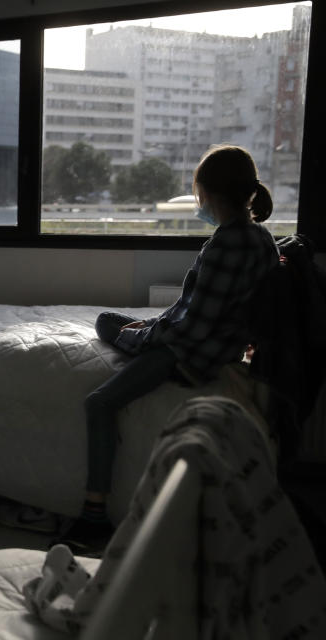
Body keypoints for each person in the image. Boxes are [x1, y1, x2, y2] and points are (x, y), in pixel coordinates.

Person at [59, 144, 281, 554]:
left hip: (190, 357)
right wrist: (153, 322)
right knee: (110, 320)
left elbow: (192, 329)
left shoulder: (227, 245)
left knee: (99, 402)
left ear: (209, 194)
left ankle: (93, 515)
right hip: (209, 342)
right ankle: (134, 331)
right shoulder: (262, 239)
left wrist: (140, 337)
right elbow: (196, 308)